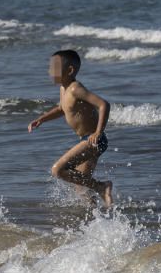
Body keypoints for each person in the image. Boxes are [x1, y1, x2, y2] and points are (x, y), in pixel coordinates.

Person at [27, 49, 113, 207]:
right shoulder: (63, 89)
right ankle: (96, 220)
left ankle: (102, 187)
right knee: (80, 188)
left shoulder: (75, 89)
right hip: (85, 139)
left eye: (54, 67)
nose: (49, 71)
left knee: (58, 170)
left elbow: (104, 105)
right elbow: (62, 108)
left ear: (70, 70)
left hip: (93, 140)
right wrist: (42, 119)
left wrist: (98, 132)